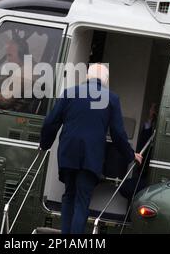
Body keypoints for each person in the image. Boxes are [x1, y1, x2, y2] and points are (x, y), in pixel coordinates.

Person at [39, 63, 143, 234]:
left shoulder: (70, 92)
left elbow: (51, 122)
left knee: (68, 196)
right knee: (82, 200)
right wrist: (130, 155)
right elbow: (118, 133)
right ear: (106, 80)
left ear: (87, 76)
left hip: (68, 153)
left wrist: (44, 144)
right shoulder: (111, 98)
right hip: (91, 157)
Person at [119, 102, 158, 201]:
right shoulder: (150, 130)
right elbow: (143, 143)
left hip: (152, 179)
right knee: (125, 187)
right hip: (143, 173)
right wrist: (150, 119)